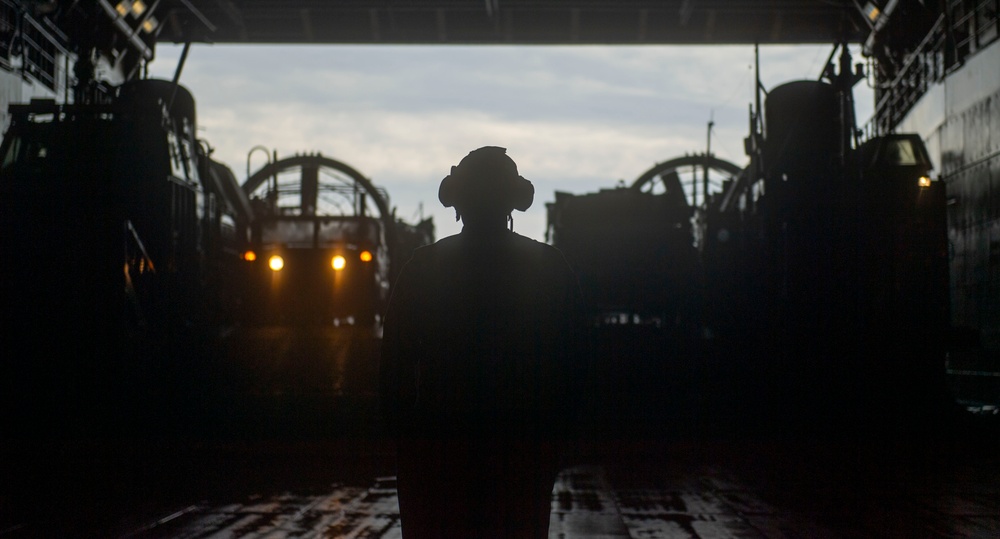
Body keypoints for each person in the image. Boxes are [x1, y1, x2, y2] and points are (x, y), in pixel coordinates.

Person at [379, 146, 585, 538]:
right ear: (513, 204)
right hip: (521, 446)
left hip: (440, 449)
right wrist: (558, 439)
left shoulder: (423, 268)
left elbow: (395, 363)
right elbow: (574, 360)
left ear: (458, 204)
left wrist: (404, 439)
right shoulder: (549, 268)